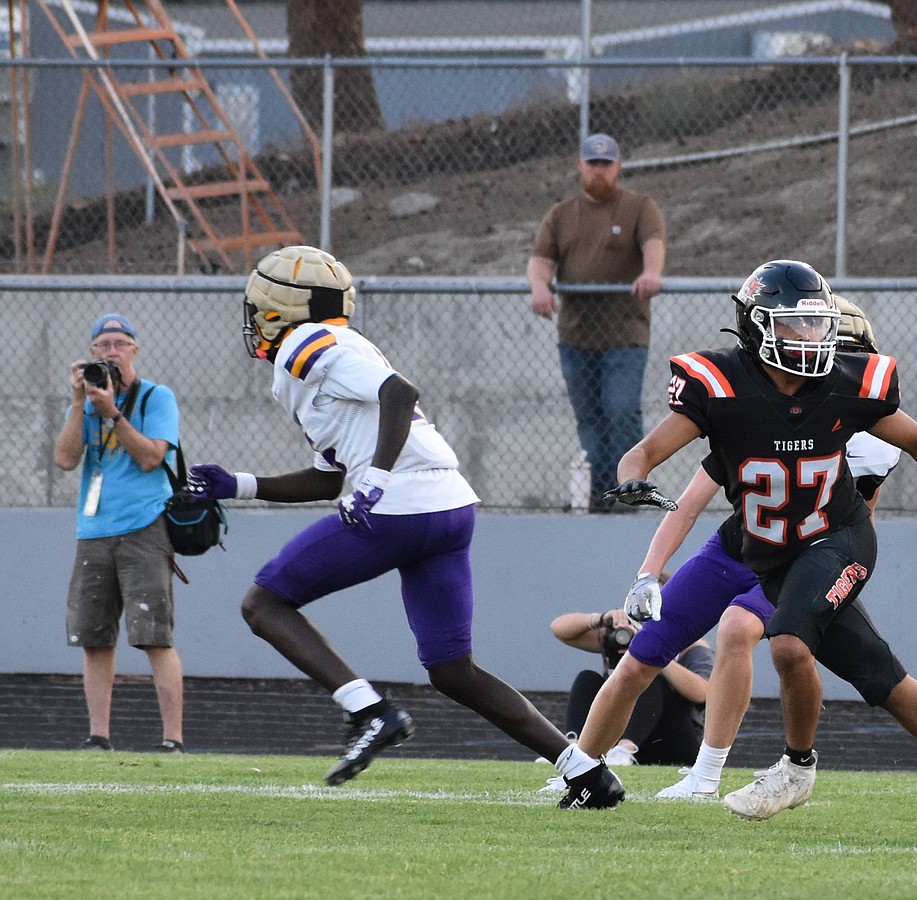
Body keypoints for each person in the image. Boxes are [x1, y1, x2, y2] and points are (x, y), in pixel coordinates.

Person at [603, 259, 917, 835]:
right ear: (757, 325)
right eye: (794, 323)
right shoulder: (722, 386)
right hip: (773, 555)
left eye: (816, 322)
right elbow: (643, 452)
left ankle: (797, 767)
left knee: (788, 643)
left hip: (840, 538)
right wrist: (632, 478)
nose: (810, 336)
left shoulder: (843, 384)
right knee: (881, 678)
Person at [184, 245, 622, 808]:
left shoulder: (304, 342)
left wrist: (376, 480)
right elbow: (328, 477)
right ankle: (586, 774)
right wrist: (239, 484)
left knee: (263, 603)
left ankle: (369, 711)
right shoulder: (332, 350)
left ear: (279, 310)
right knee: (452, 670)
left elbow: (399, 392)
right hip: (448, 507)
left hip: (400, 505)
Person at [54, 313, 185, 753]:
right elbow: (65, 460)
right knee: (94, 639)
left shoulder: (155, 397)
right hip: (93, 529)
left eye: (119, 344)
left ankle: (172, 740)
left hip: (144, 526)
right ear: (92, 353)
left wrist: (113, 413)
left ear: (134, 350)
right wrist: (80, 402)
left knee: (154, 636)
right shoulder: (86, 402)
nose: (111, 353)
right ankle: (98, 737)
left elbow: (151, 458)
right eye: (103, 345)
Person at [527, 133, 667, 511]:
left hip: (625, 334)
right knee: (590, 420)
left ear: (618, 166)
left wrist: (651, 273)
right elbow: (541, 260)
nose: (599, 171)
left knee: (622, 412)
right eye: (593, 164)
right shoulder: (561, 214)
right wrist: (539, 287)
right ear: (580, 166)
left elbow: (653, 244)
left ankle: (630, 494)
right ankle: (599, 498)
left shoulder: (639, 207)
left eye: (606, 164)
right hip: (576, 337)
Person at [550, 601, 711, 769]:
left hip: (674, 741)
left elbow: (702, 693)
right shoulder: (623, 636)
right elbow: (559, 629)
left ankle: (625, 749)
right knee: (587, 678)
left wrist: (652, 652)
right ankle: (573, 748)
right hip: (623, 736)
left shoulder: (693, 648)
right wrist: (600, 619)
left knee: (646, 677)